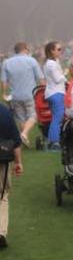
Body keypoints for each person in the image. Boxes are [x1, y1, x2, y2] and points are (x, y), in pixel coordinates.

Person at [1, 42, 44, 144]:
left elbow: (4, 81)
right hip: (30, 94)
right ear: (25, 49)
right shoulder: (32, 61)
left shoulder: (6, 62)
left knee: (21, 118)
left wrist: (4, 94)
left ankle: (24, 138)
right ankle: (24, 133)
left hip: (15, 96)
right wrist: (43, 91)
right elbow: (41, 78)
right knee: (33, 115)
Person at [0, 101, 24, 248]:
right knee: (2, 196)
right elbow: (16, 142)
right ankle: (1, 231)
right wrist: (18, 162)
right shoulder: (4, 112)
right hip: (2, 159)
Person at [42, 41, 66, 151]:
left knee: (55, 119)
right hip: (56, 93)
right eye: (58, 49)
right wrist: (65, 74)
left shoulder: (51, 62)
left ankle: (53, 141)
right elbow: (57, 79)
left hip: (52, 92)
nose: (61, 51)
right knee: (57, 119)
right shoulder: (52, 64)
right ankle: (54, 143)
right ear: (52, 51)